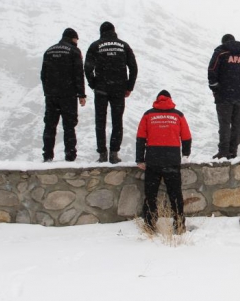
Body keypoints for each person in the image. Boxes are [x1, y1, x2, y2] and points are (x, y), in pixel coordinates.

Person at [136, 90, 192, 234]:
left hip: (153, 159)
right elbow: (186, 136)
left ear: (157, 100)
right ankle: (179, 226)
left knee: (150, 195)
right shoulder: (178, 115)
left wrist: (139, 159)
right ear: (170, 100)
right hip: (172, 159)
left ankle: (149, 225)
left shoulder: (148, 114)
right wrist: (185, 154)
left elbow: (141, 137)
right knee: (175, 195)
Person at [84, 21, 138, 164]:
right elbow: (133, 67)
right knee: (117, 121)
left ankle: (102, 153)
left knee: (100, 122)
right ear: (114, 31)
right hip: (119, 89)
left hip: (101, 89)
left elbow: (87, 68)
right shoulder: (124, 46)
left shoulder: (95, 46)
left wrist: (93, 84)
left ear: (101, 32)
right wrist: (129, 87)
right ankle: (114, 154)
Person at [40, 28, 87, 162]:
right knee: (69, 126)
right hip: (68, 95)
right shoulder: (74, 51)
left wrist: (48, 92)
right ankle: (70, 156)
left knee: (50, 126)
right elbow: (79, 74)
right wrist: (81, 94)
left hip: (51, 96)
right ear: (73, 38)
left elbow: (43, 75)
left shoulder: (49, 51)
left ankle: (47, 156)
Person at [207, 34, 240, 159]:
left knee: (224, 123)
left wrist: (215, 88)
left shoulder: (221, 53)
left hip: (224, 95)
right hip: (239, 96)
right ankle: (233, 151)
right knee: (236, 124)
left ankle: (223, 151)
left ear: (223, 42)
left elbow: (212, 70)